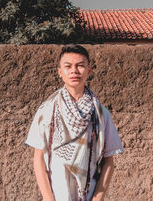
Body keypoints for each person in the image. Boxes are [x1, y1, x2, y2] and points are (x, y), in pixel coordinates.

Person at [25, 44, 124, 201]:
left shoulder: (101, 114)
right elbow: (38, 159)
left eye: (80, 66)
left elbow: (109, 162)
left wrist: (96, 199)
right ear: (60, 72)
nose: (74, 71)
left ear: (89, 70)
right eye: (68, 66)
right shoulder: (47, 110)